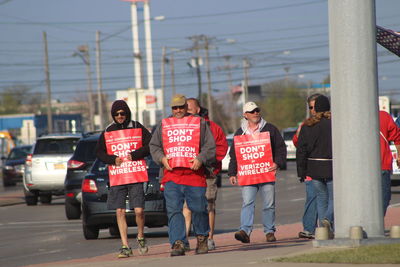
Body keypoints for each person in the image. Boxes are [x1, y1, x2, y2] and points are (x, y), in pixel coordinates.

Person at [149, 94, 216, 256]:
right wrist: (162, 159)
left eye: (181, 107)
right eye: (175, 107)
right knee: (173, 210)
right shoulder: (164, 124)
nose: (178, 110)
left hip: (194, 175)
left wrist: (200, 158)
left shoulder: (198, 122)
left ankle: (201, 238)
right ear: (171, 108)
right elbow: (154, 146)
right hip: (172, 175)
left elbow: (210, 146)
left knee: (199, 208)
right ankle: (178, 243)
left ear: (186, 107)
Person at [96, 100, 152, 258]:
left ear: (127, 113)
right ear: (112, 115)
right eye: (116, 114)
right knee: (119, 211)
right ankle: (125, 246)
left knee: (139, 211)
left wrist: (135, 155)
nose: (120, 116)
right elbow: (99, 152)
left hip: (135, 174)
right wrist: (112, 159)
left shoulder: (136, 126)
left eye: (123, 113)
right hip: (118, 175)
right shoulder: (108, 130)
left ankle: (141, 235)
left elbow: (150, 144)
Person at [228, 102, 286, 243]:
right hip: (248, 174)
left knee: (269, 204)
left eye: (257, 110)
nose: (255, 113)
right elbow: (234, 154)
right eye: (252, 111)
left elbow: (280, 148)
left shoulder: (270, 129)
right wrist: (232, 173)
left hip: (266, 173)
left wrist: (277, 163)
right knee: (247, 202)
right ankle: (245, 231)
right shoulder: (239, 133)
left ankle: (269, 231)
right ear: (245, 115)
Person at [182, 98, 228, 251]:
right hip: (188, 174)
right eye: (184, 109)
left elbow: (221, 148)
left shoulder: (212, 127)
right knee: (187, 207)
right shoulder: (180, 128)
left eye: (189, 109)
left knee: (208, 206)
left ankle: (209, 238)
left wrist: (205, 161)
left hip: (208, 173)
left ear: (197, 110)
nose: (186, 111)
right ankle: (185, 239)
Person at [296, 95, 334, 238]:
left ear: (315, 108)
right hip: (331, 166)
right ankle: (328, 220)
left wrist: (301, 171)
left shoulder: (308, 125)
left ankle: (324, 230)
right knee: (333, 198)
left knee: (321, 198)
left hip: (314, 168)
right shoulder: (334, 124)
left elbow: (301, 150)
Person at [292, 93, 321, 239]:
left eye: (316, 106)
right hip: (311, 169)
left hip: (329, 168)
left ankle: (328, 228)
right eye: (311, 107)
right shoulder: (306, 124)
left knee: (328, 200)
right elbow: (298, 143)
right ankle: (309, 229)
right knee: (312, 198)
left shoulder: (332, 122)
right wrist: (298, 135)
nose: (313, 110)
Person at [379, 110, 400, 216]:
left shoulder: (356, 118)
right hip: (382, 163)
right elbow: (397, 137)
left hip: (361, 167)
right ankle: (378, 221)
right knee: (384, 196)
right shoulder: (384, 116)